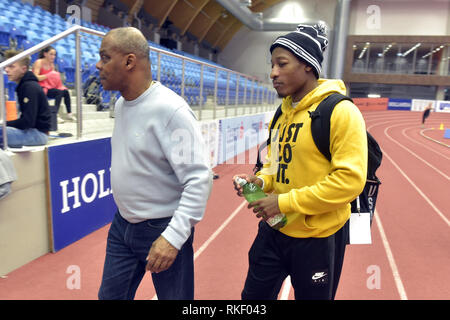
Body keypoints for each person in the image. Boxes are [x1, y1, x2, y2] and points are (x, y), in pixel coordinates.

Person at [233, 24, 368, 300]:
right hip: (274, 229)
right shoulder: (281, 114)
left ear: (308, 65)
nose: (273, 73)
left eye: (282, 64)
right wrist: (260, 181)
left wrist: (283, 202)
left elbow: (350, 182)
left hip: (317, 238)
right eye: (272, 65)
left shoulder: (341, 112)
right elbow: (274, 164)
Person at [96, 27, 212, 300]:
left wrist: (173, 237)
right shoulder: (121, 105)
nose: (98, 65)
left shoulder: (171, 110)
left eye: (104, 57)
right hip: (122, 225)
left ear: (129, 61)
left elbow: (198, 178)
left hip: (163, 228)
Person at [1, 50, 50, 148]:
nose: (6, 70)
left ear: (23, 69)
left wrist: (4, 124)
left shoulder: (29, 87)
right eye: (6, 66)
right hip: (33, 131)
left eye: (11, 66)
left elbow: (27, 122)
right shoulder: (24, 85)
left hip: (38, 134)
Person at [32, 46, 76, 122]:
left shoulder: (51, 65)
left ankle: (69, 113)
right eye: (51, 54)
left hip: (49, 86)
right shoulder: (39, 62)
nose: (53, 56)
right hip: (40, 87)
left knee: (65, 91)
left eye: (54, 55)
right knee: (59, 92)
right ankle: (55, 115)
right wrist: (47, 75)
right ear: (45, 54)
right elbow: (36, 77)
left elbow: (53, 79)